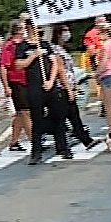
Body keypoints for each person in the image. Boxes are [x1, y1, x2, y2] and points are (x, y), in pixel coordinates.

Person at [21, 28, 69, 165]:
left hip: (49, 86)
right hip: (34, 87)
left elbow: (55, 63)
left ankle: (63, 147)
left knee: (58, 117)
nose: (39, 34)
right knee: (37, 119)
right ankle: (36, 152)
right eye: (37, 31)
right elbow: (19, 65)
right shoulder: (23, 46)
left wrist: (51, 81)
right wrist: (33, 56)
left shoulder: (45, 45)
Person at [0, 19, 32, 152]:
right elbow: (3, 66)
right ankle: (33, 139)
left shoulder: (25, 44)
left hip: (26, 80)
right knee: (25, 112)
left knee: (19, 113)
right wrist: (6, 86)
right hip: (16, 81)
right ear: (19, 30)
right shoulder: (10, 46)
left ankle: (14, 141)